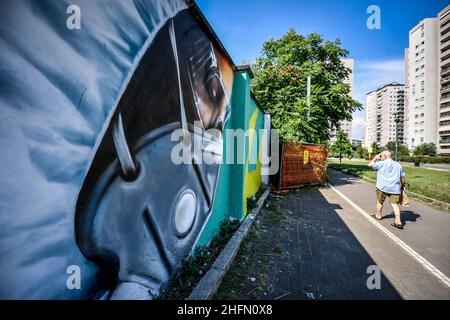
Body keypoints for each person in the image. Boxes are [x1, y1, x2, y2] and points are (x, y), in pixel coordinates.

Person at [368, 150, 406, 229]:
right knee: (395, 205)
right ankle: (398, 221)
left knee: (379, 202)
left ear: (384, 156)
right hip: (395, 188)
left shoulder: (381, 163)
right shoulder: (398, 165)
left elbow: (370, 165)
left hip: (382, 187)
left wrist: (375, 158)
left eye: (381, 156)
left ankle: (378, 215)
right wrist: (403, 186)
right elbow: (402, 177)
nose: (380, 157)